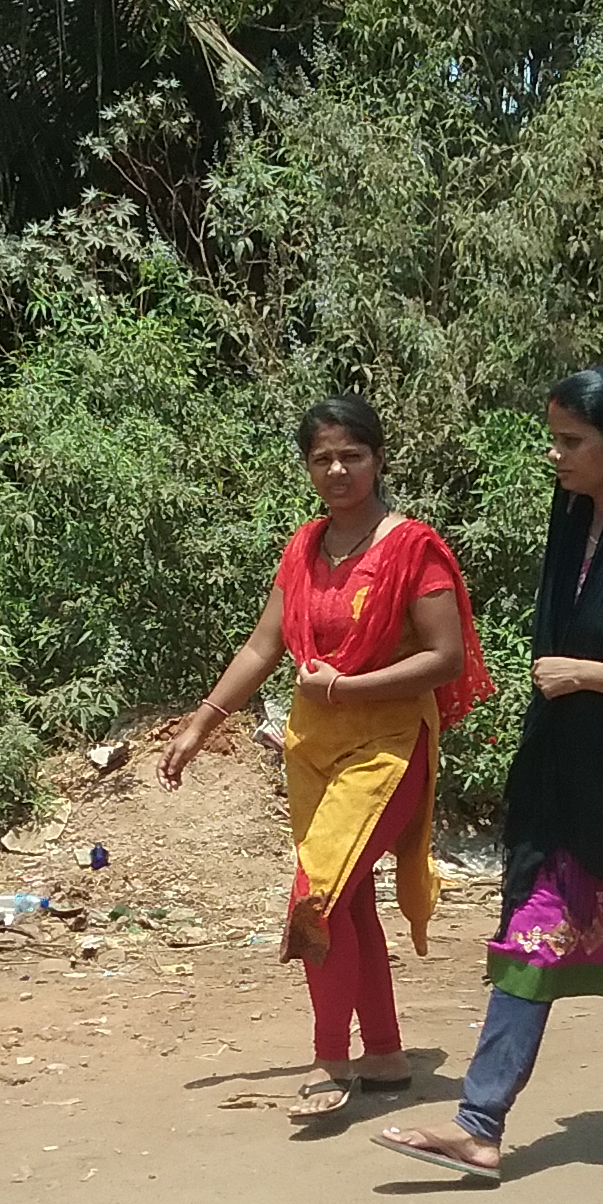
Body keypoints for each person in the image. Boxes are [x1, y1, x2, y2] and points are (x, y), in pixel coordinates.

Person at [369, 365, 603, 1183]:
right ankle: (479, 1124)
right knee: (533, 928)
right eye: (553, 439)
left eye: (571, 441)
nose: (555, 455)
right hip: (571, 773)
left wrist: (594, 676)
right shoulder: (577, 522)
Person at [159, 396, 491, 1123]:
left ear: (378, 459)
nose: (338, 470)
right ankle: (386, 1054)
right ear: (307, 467)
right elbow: (263, 647)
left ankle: (330, 1058)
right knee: (349, 897)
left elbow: (445, 657)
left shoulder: (414, 547)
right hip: (313, 748)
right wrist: (201, 725)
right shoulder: (306, 547)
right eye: (322, 459)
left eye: (352, 455)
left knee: (318, 894)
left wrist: (345, 686)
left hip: (389, 746)